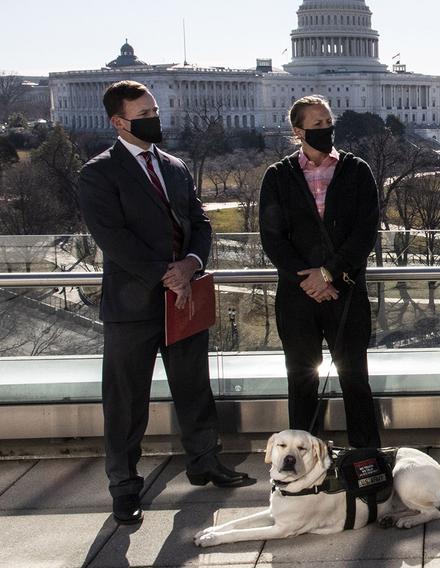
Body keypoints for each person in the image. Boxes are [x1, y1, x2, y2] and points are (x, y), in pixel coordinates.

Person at [77, 81, 249, 526]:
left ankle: (204, 461)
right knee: (126, 399)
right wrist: (164, 273)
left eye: (155, 109)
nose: (157, 117)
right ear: (119, 122)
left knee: (193, 386)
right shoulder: (99, 172)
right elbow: (112, 238)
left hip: (183, 298)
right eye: (146, 112)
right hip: (132, 304)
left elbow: (199, 221)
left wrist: (191, 263)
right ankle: (124, 484)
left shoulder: (173, 166)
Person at [259, 95, 381, 448]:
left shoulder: (356, 170)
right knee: (301, 380)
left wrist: (328, 273)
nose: (326, 130)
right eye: (317, 125)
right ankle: (304, 460)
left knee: (355, 378)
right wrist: (310, 279)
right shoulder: (279, 176)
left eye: (328, 123)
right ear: (298, 131)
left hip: (345, 289)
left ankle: (366, 457)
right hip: (298, 296)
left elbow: (365, 231)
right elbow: (273, 237)